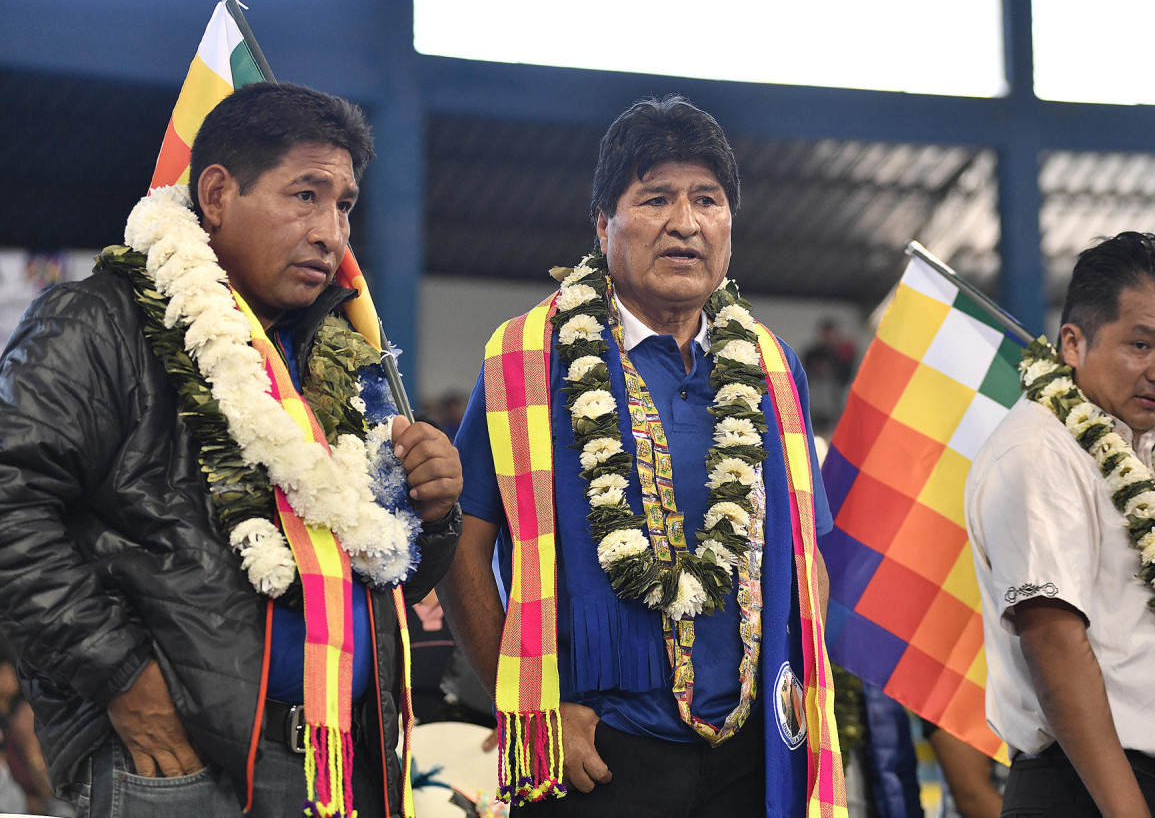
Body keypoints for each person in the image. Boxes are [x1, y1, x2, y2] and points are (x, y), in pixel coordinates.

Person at [0, 82, 463, 818]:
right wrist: (123, 675)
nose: (330, 231)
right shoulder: (103, 319)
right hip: (176, 762)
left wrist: (432, 516)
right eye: (304, 195)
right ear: (216, 193)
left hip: (344, 765)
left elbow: (385, 582)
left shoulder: (340, 357)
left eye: (343, 204)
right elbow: (9, 503)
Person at [439, 95, 846, 817]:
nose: (685, 223)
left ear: (729, 226)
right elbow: (464, 545)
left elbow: (804, 559)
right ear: (604, 225)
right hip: (597, 751)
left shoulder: (773, 365)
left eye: (707, 200)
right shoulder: (529, 358)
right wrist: (531, 705)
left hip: (753, 755)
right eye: (655, 198)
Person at [965, 232, 1155, 817]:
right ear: (1073, 344)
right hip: (1094, 796)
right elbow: (1053, 640)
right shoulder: (1041, 450)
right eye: (1141, 344)